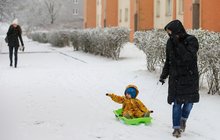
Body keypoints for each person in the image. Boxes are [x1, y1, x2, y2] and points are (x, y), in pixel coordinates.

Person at [159, 20, 199, 138]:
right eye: (168, 33)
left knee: (189, 104)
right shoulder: (170, 42)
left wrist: (178, 43)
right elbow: (168, 60)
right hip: (176, 78)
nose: (170, 35)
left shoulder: (191, 40)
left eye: (171, 32)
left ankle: (183, 119)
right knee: (177, 104)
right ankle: (176, 128)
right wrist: (163, 75)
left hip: (189, 77)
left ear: (178, 30)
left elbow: (189, 57)